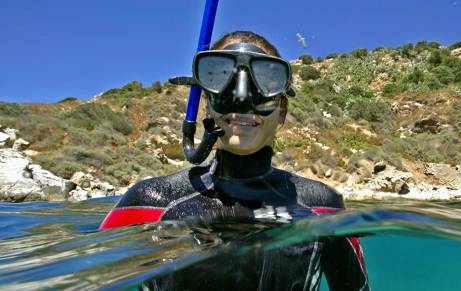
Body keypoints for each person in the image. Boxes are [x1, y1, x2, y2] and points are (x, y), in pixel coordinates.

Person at [99, 31, 369, 290]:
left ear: (282, 111)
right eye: (223, 79)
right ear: (207, 104)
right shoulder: (149, 202)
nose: (241, 99)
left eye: (264, 82)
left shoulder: (322, 207)